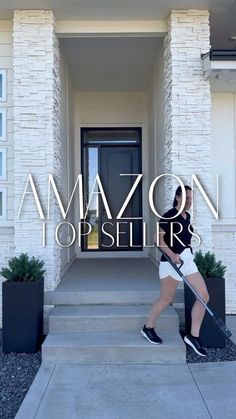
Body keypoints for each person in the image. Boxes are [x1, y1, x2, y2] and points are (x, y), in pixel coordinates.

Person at [141, 185, 210, 356]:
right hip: (171, 263)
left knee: (204, 296)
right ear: (177, 197)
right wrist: (172, 255)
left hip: (187, 261)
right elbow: (157, 239)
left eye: (191, 198)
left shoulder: (186, 216)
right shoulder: (169, 216)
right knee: (166, 300)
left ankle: (193, 336)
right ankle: (148, 327)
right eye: (186, 198)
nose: (189, 201)